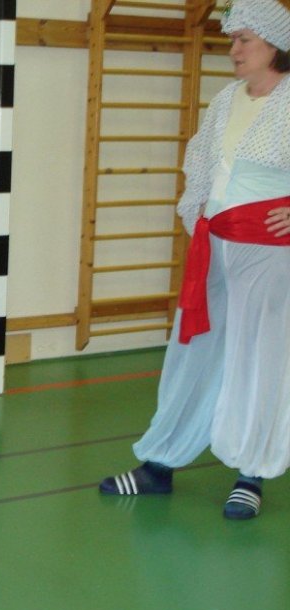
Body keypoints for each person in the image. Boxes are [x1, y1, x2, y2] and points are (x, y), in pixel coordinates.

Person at [100, 0, 290, 520]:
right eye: (232, 39)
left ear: (274, 43)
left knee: (259, 360)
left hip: (269, 253)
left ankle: (250, 475)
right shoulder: (226, 101)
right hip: (214, 246)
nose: (234, 49)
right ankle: (160, 463)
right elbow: (203, 167)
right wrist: (198, 216)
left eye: (244, 40)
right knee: (193, 351)